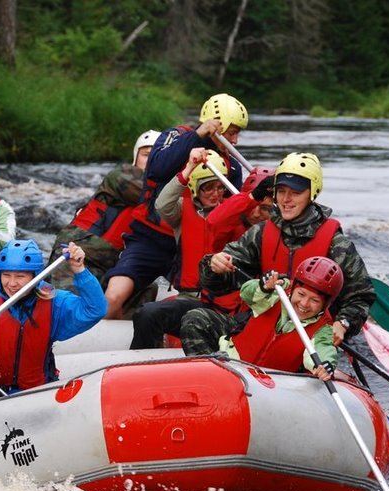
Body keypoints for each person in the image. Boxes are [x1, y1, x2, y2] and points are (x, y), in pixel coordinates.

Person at [182, 152, 376, 356]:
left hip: (307, 338)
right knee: (195, 320)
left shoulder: (337, 245)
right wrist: (214, 265)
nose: (286, 199)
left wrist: (343, 323)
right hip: (261, 325)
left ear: (312, 193)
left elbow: (361, 296)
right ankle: (220, 381)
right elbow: (217, 285)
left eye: (295, 192)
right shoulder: (262, 232)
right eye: (281, 191)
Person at [104, 93, 248, 319]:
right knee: (113, 298)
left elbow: (233, 213)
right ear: (215, 125)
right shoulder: (175, 136)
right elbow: (157, 169)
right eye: (232, 132)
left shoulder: (231, 166)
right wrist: (198, 136)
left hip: (191, 246)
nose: (236, 140)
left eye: (238, 134)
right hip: (150, 239)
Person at [0, 239, 107, 393]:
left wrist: (79, 270)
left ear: (35, 277)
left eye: (20, 276)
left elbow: (95, 310)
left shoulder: (54, 303)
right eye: (7, 275)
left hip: (35, 392)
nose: (12, 283)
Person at [128, 148, 230, 349]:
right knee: (146, 314)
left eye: (220, 187)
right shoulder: (182, 211)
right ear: (195, 188)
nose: (215, 194)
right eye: (208, 188)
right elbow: (162, 204)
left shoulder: (234, 211)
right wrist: (189, 168)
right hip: (188, 296)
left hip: (222, 302)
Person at [183, 256, 342, 381]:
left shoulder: (324, 328)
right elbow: (247, 293)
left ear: (325, 305)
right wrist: (263, 287)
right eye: (301, 294)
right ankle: (207, 375)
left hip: (268, 385)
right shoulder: (279, 288)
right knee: (196, 319)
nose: (304, 304)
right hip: (231, 361)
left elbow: (324, 350)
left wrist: (324, 366)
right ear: (294, 289)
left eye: (315, 301)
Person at [49, 129, 160, 292]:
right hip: (74, 258)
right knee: (70, 305)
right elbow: (158, 199)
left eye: (157, 156)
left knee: (149, 290)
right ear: (135, 157)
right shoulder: (120, 176)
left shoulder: (171, 189)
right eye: (146, 155)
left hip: (110, 267)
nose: (151, 160)